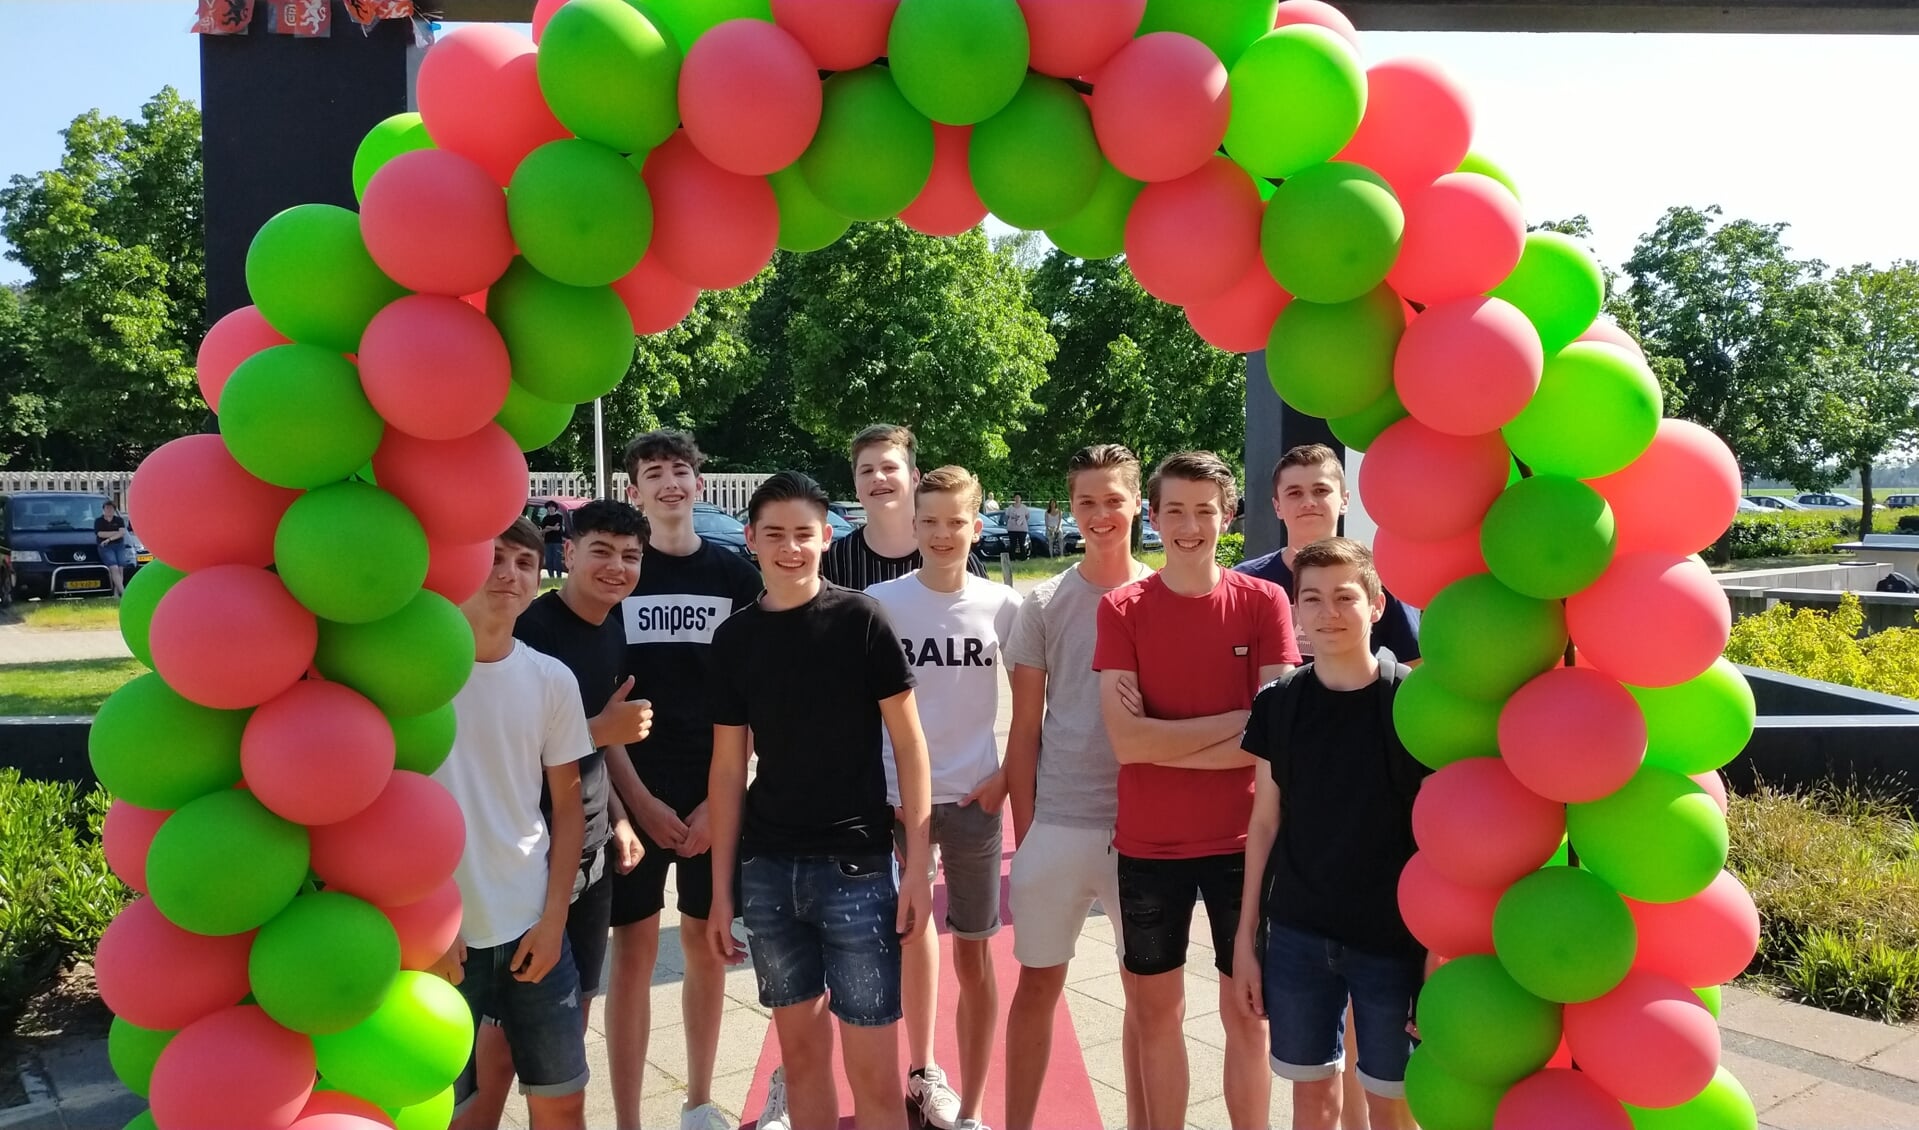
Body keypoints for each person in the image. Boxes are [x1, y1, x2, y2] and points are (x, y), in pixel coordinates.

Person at [705, 472, 935, 1130]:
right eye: (773, 534)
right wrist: (723, 892)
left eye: (802, 534)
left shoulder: (859, 620)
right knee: (802, 1063)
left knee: (873, 1074)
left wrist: (916, 864)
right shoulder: (736, 639)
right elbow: (726, 768)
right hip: (770, 873)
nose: (789, 548)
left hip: (857, 870)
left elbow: (910, 745)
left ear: (825, 539)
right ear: (749, 539)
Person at [1093, 451, 1299, 1130]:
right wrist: (1245, 723)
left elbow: (1280, 739)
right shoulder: (1122, 607)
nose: (1189, 525)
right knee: (1158, 1020)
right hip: (1149, 849)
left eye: (1203, 510)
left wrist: (1167, 734)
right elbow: (1128, 745)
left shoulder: (1264, 600)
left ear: (1228, 516)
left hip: (1247, 846)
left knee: (1248, 1013)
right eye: (1174, 510)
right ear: (1151, 518)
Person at [1234, 443, 1422, 1127]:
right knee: (1309, 1095)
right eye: (1310, 600)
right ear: (1294, 613)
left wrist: (1434, 958)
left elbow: (1437, 839)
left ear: (1375, 607)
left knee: (1389, 1102)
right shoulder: (1279, 702)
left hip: (1390, 941)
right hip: (1298, 938)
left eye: (1345, 597)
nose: (1327, 612)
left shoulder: (1408, 706)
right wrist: (1246, 938)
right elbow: (1263, 824)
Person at [465, 501, 657, 1128]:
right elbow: (575, 739)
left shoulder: (601, 633)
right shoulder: (530, 630)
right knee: (483, 1061)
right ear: (569, 555)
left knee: (563, 1055)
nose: (616, 567)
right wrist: (605, 728)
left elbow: (581, 767)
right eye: (600, 550)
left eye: (630, 556)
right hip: (499, 890)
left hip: (577, 865)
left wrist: (624, 816)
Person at [612, 430, 764, 1130]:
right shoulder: (618, 574)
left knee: (706, 947)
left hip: (715, 793)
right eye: (654, 473)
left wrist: (716, 802)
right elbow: (597, 704)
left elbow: (759, 698)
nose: (670, 483)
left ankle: (698, 1102)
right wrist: (635, 803)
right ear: (632, 491)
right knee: (635, 957)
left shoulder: (734, 576)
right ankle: (627, 1118)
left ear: (698, 486)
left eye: (680, 471)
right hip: (633, 796)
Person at [1002, 445, 1154, 1130]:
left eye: (1112, 500)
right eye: (1086, 502)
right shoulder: (1043, 602)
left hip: (1145, 830)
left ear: (1135, 504)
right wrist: (1027, 834)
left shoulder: (1163, 594)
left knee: (1145, 998)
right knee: (1038, 984)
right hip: (1059, 823)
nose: (1100, 515)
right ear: (1069, 507)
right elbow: (1024, 730)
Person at [865, 466, 1022, 1130]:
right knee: (904, 938)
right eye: (927, 521)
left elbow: (1035, 705)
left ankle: (974, 1108)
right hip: (898, 807)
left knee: (975, 952)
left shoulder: (1004, 606)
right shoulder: (878, 602)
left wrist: (1005, 778)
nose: (941, 534)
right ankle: (923, 1071)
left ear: (976, 526)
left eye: (955, 521)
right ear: (913, 526)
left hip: (974, 805)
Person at [429, 519, 595, 1130]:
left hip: (533, 930)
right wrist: (427, 923)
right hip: (441, 941)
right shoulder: (415, 678)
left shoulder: (552, 679)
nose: (510, 573)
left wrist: (554, 922)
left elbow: (569, 808)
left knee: (562, 1101)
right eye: (495, 557)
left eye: (526, 563)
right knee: (445, 1110)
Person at [1235, 445, 1420, 666]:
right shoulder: (1245, 583)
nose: (1308, 502)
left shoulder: (1378, 577)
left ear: (1344, 500)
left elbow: (1415, 664)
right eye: (1294, 493)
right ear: (1277, 507)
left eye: (1321, 490)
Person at [822, 424, 984, 592]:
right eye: (867, 470)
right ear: (856, 484)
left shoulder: (953, 558)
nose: (878, 477)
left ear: (914, 478)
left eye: (889, 468)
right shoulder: (833, 561)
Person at [94, 500, 131, 597]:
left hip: (119, 546)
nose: (109, 510)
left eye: (111, 508)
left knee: (120, 568)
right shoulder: (99, 521)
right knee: (114, 568)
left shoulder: (119, 520)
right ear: (103, 510)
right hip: (105, 547)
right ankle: (124, 593)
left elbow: (122, 533)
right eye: (107, 508)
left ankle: (116, 594)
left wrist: (109, 538)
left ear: (114, 510)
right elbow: (100, 534)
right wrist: (116, 533)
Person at [541, 502, 568, 579]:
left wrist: (548, 527)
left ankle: (559, 576)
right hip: (547, 541)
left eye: (552, 507)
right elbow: (542, 531)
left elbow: (557, 528)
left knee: (557, 560)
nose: (550, 508)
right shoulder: (545, 518)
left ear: (555, 508)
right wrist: (551, 528)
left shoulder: (559, 517)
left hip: (557, 541)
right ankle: (551, 576)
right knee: (549, 560)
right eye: (549, 507)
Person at [1001, 494, 1030, 560]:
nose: (1017, 499)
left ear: (1020, 499)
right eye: (1016, 497)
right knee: (1013, 544)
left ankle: (1023, 558)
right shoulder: (1010, 508)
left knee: (1021, 544)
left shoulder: (1024, 507)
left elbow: (1027, 516)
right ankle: (1012, 558)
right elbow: (1007, 516)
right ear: (1014, 499)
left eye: (1018, 497)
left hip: (1022, 529)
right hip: (1012, 529)